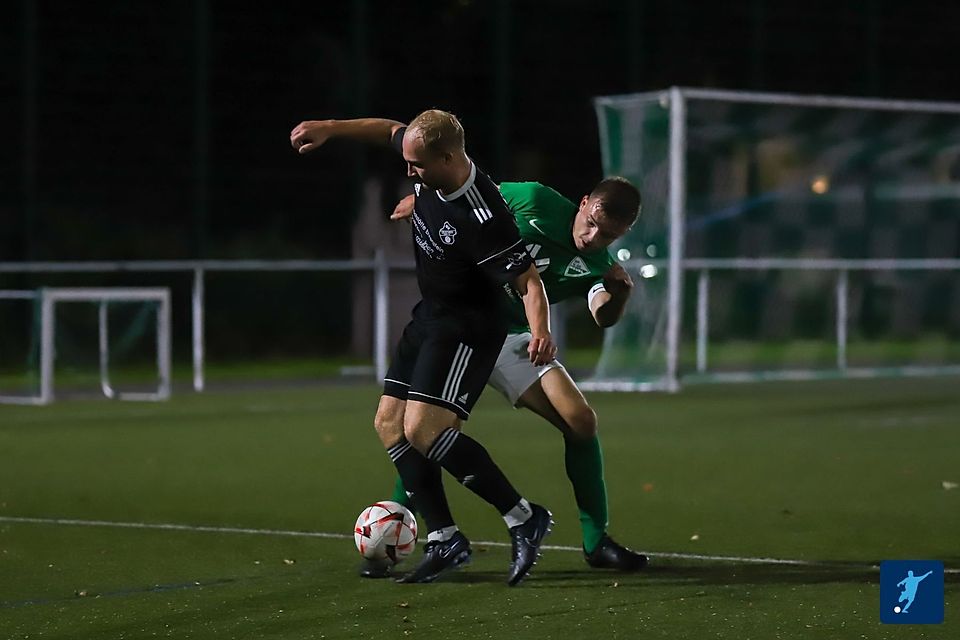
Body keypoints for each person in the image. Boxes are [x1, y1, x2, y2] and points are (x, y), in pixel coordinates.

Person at [290, 110, 557, 586]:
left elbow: (528, 280)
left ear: (449, 157)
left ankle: (523, 517)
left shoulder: (484, 214)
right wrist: (331, 127)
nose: (408, 171)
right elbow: (385, 129)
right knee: (389, 424)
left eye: (416, 165)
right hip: (431, 313)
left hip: (469, 326)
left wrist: (539, 331)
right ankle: (445, 538)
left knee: (424, 429)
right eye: (407, 161)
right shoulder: (426, 160)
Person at [389, 178, 647, 571]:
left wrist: (620, 294)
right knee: (432, 430)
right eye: (591, 223)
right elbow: (469, 191)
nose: (593, 238)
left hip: (513, 338)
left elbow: (602, 315)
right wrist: (424, 203)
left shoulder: (600, 266)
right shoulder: (536, 199)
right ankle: (394, 525)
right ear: (583, 203)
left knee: (581, 421)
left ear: (623, 233)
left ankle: (596, 543)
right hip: (465, 325)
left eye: (608, 235)